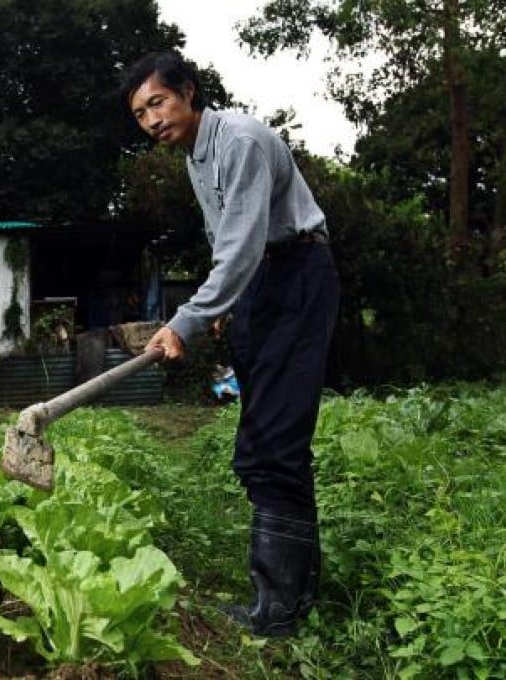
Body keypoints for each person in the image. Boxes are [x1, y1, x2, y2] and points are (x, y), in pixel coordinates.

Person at [120, 51, 340, 637]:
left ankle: (279, 609)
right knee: (269, 437)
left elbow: (243, 247)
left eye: (158, 103)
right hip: (264, 283)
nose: (151, 120)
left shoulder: (238, 140)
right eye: (141, 113)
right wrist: (228, 306)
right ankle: (290, 595)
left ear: (189, 92)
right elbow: (232, 246)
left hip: (294, 277)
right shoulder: (196, 153)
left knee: (272, 442)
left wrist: (188, 320)